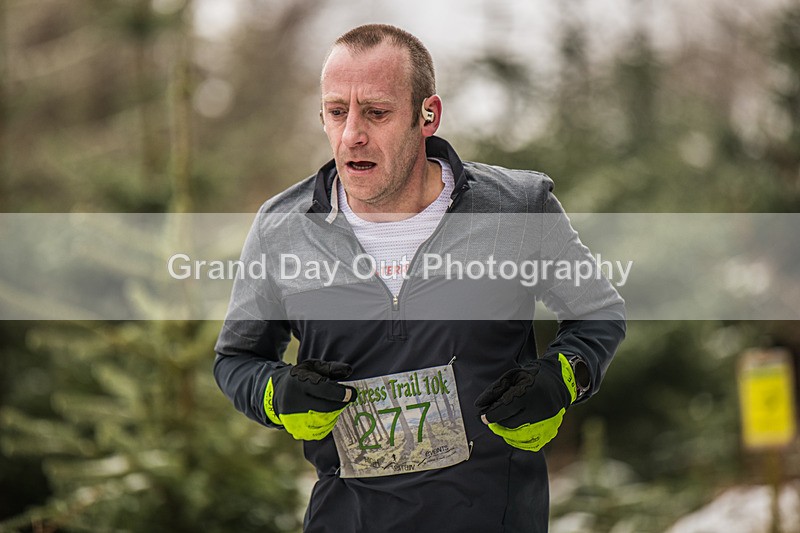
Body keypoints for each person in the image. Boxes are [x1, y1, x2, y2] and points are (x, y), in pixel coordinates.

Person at [214, 24, 625, 533]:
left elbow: (598, 313)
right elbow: (236, 359)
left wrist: (564, 377)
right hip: (346, 519)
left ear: (427, 115)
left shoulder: (518, 208)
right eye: (337, 111)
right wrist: (276, 394)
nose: (352, 135)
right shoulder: (282, 229)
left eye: (377, 112)